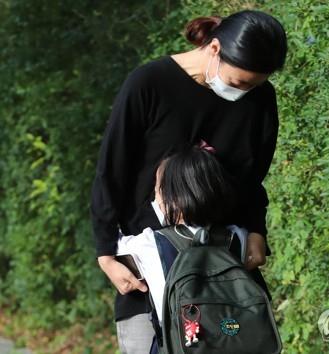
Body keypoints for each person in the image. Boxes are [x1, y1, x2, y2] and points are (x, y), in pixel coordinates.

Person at [90, 9, 287, 353]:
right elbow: (112, 171)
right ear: (214, 49)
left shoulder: (260, 99)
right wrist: (106, 252)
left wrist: (257, 230)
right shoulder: (149, 83)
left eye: (256, 84)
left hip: (225, 263)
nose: (245, 91)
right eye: (240, 82)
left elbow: (254, 176)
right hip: (149, 261)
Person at [116, 143, 248, 327]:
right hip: (232, 334)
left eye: (158, 192)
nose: (155, 201)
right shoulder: (237, 236)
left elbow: (112, 242)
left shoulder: (150, 244)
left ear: (175, 199)